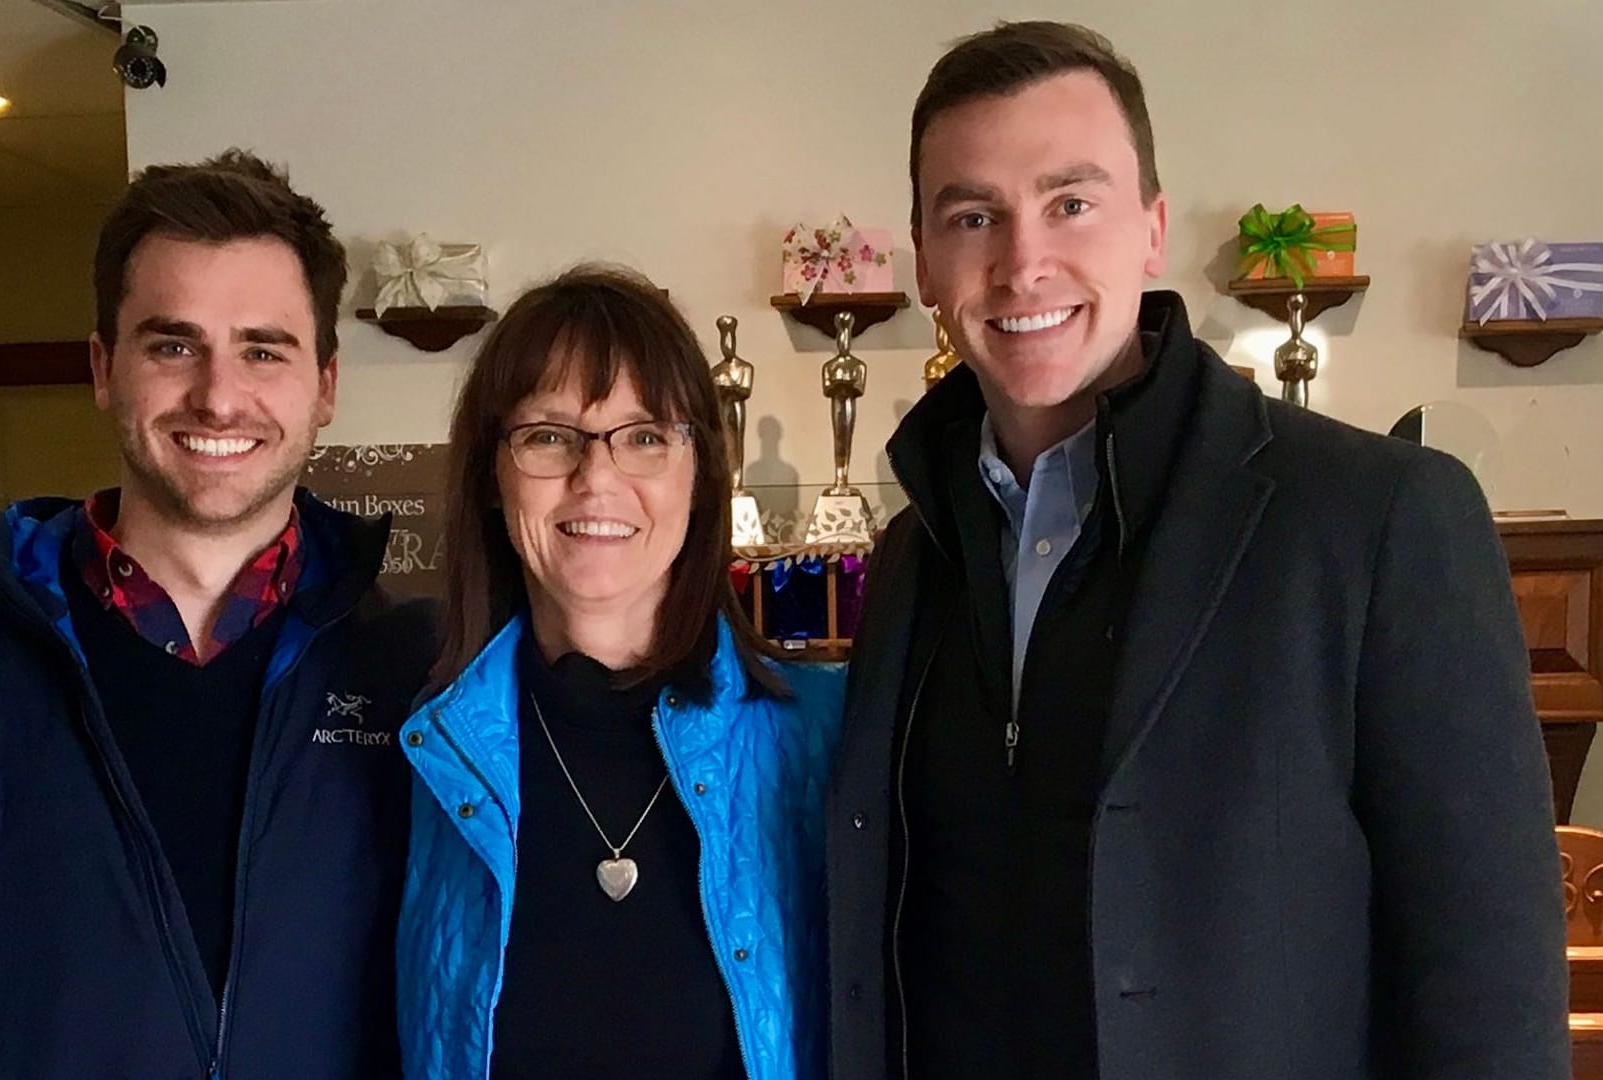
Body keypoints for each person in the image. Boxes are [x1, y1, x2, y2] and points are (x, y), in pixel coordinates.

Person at [827, 21, 1569, 1080]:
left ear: (1152, 232)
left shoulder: (1379, 518)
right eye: (973, 215)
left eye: (1070, 202)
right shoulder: (912, 552)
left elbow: (1487, 985)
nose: (1023, 260)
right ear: (925, 261)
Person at [0, 149, 436, 1078]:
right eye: (172, 345)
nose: (218, 395)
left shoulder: (419, 673)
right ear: (104, 367)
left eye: (264, 348)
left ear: (326, 386)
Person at [395, 266, 844, 1080]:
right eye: (548, 435)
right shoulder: (420, 754)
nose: (596, 477)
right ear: (492, 480)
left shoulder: (826, 738)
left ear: (699, 471)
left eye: (644, 436)